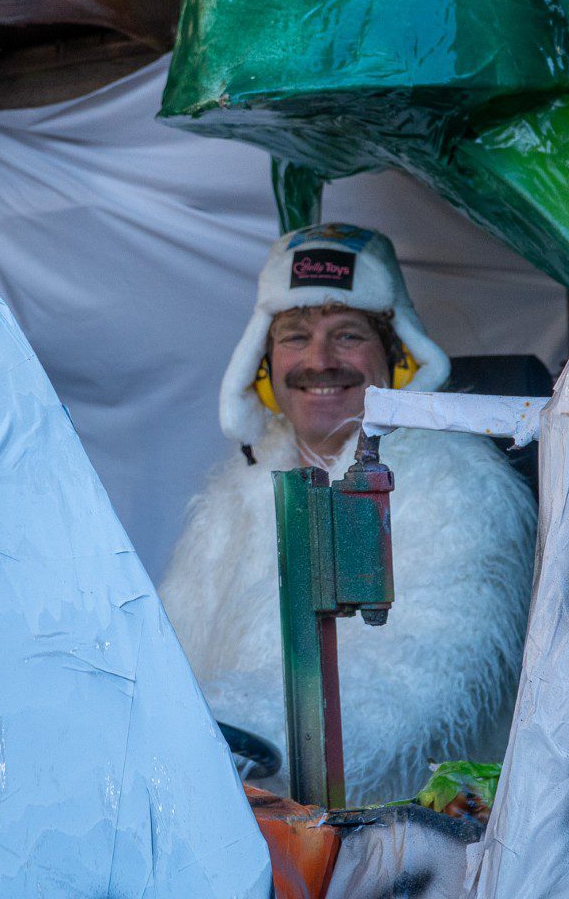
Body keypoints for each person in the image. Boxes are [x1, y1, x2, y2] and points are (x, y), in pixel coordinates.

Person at [160, 223, 538, 803]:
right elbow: (168, 657)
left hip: (409, 836)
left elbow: (410, 684)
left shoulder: (461, 491)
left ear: (397, 358)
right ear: (263, 364)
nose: (319, 360)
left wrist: (227, 729)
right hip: (249, 822)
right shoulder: (229, 502)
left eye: (347, 335)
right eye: (294, 336)